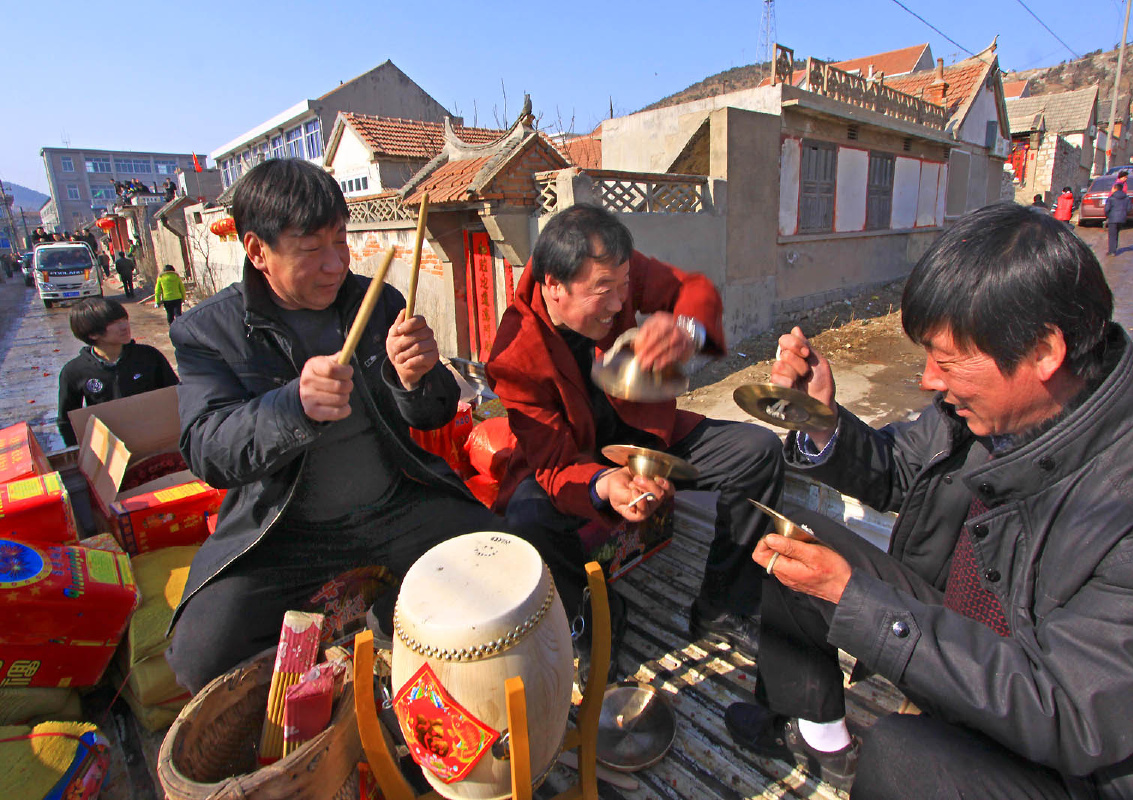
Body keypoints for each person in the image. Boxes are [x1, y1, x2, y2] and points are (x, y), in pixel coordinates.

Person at [721, 203, 1133, 798]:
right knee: (793, 546)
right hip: (971, 631)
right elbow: (901, 469)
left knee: (900, 757)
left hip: (1073, 750)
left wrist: (856, 602)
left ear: (1044, 351)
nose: (928, 380)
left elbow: (1067, 711)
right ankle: (821, 737)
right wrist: (818, 417)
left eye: (945, 361)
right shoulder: (998, 407)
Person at [164, 158, 516, 694]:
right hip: (285, 532)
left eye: (340, 240)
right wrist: (291, 406)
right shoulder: (210, 331)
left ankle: (408, 650)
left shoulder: (376, 302)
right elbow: (207, 450)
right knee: (202, 656)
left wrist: (417, 379)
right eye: (311, 249)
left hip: (396, 503)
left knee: (504, 562)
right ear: (257, 251)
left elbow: (434, 414)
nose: (335, 264)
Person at [486, 203, 785, 660]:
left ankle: (723, 604)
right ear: (554, 286)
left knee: (758, 451)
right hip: (576, 462)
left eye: (624, 286)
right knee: (527, 518)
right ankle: (592, 619)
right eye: (603, 291)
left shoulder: (612, 267)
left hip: (642, 435)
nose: (618, 303)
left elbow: (692, 289)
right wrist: (605, 483)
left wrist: (684, 331)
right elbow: (553, 463)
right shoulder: (515, 354)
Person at [56, 297, 179, 448]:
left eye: (124, 319)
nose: (125, 326)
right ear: (93, 334)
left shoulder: (149, 356)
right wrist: (78, 452)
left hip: (156, 442)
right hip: (110, 449)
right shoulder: (74, 371)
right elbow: (67, 422)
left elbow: (175, 395)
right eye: (114, 323)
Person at [1104, 180, 1132, 256]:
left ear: (1115, 188)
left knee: (1112, 235)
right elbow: (1129, 209)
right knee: (1116, 234)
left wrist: (1108, 216)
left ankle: (1112, 251)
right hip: (1122, 219)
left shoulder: (1111, 198)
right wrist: (1124, 214)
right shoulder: (1127, 198)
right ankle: (1114, 249)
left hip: (1112, 219)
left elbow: (1106, 209)